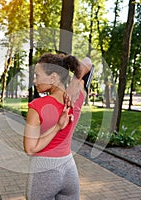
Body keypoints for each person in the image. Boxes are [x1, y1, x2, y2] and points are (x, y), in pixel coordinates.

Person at [23, 53, 93, 200]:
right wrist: (76, 80)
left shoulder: (37, 106)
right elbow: (88, 62)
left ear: (53, 77)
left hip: (43, 171)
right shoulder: (77, 97)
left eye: (37, 75)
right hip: (69, 169)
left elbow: (30, 149)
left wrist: (56, 127)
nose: (34, 80)